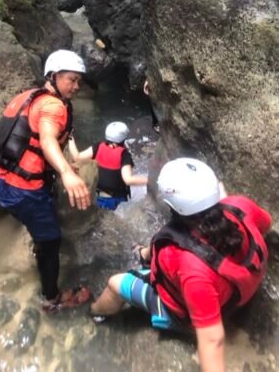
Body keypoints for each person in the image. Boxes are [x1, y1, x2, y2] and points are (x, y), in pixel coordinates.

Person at [90, 158, 271, 372]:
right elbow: (265, 224)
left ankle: (94, 313)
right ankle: (142, 252)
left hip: (201, 310)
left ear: (171, 206)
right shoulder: (240, 206)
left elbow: (213, 339)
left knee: (114, 284)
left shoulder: (182, 260)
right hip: (241, 288)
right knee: (154, 248)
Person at [0, 49, 92, 312]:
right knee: (51, 241)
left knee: (44, 211)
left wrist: (60, 167)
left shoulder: (27, 96)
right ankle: (51, 298)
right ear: (54, 76)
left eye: (79, 81)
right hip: (23, 190)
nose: (76, 86)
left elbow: (28, 141)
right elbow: (46, 138)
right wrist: (67, 173)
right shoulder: (54, 106)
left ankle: (36, 236)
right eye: (71, 79)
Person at [74, 121, 147, 210]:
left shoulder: (98, 146)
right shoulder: (124, 155)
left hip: (97, 197)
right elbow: (128, 180)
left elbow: (77, 157)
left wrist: (70, 137)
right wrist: (150, 180)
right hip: (114, 201)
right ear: (123, 139)